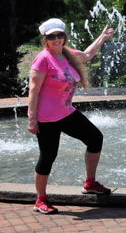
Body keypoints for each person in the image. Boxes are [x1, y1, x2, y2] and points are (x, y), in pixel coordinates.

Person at [27, 17, 114, 214]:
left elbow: (88, 54)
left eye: (60, 35)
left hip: (66, 113)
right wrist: (32, 120)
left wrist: (102, 37)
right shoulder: (42, 59)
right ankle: (40, 200)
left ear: (64, 37)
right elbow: (33, 91)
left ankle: (90, 183)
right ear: (45, 39)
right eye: (52, 36)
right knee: (48, 156)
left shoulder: (68, 54)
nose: (57, 39)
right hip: (46, 118)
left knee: (95, 138)